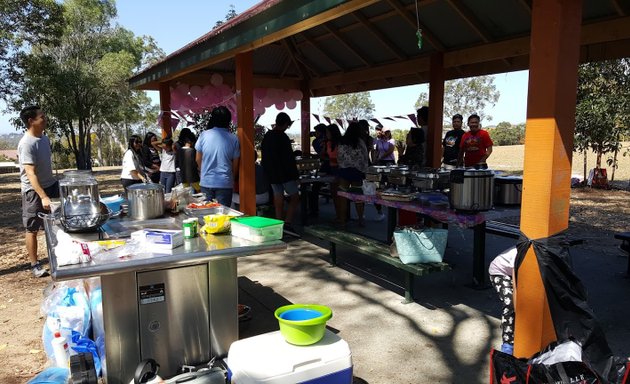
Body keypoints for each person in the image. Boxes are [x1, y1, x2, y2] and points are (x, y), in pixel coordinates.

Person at [17, 105, 60, 277]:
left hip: (50, 185)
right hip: (33, 192)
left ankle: (58, 257)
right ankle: (35, 264)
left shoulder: (44, 138)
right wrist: (43, 196)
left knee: (56, 224)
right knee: (32, 228)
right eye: (42, 116)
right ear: (31, 121)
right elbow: (30, 173)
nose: (45, 119)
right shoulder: (26, 144)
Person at [261, 112, 300, 235]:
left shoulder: (267, 136)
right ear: (285, 124)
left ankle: (279, 222)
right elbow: (288, 159)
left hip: (272, 173)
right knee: (295, 197)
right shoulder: (283, 137)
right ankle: (287, 223)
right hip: (285, 173)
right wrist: (296, 175)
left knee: (278, 197)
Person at [195, 106, 240, 207]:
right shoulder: (234, 139)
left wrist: (204, 172)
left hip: (206, 182)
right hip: (225, 182)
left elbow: (198, 159)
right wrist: (231, 179)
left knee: (206, 216)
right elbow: (235, 165)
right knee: (223, 217)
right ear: (228, 120)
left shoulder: (203, 135)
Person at [336, 121, 369, 227]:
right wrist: (364, 171)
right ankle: (360, 219)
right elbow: (365, 157)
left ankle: (342, 220)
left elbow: (339, 156)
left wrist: (341, 166)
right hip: (357, 172)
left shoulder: (342, 141)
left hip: (344, 171)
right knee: (358, 197)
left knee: (343, 196)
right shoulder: (360, 142)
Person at [489, 246, 517, 355]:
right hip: (499, 272)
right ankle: (508, 343)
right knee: (510, 302)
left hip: (514, 273)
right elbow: (515, 281)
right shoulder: (520, 254)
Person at [175, 128, 200, 192]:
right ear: (191, 142)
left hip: (184, 177)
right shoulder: (193, 151)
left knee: (187, 194)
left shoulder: (179, 150)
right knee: (199, 192)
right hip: (194, 177)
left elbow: (177, 163)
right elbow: (196, 163)